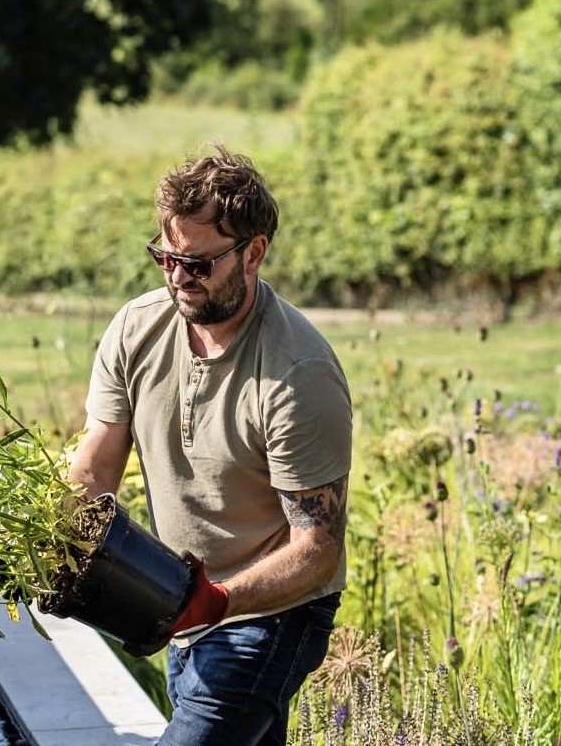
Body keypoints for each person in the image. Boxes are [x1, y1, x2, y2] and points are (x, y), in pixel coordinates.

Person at [66, 144, 352, 745]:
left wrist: (215, 601)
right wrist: (48, 536)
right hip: (172, 595)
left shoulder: (296, 373)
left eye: (197, 264)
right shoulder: (137, 329)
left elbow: (317, 550)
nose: (177, 278)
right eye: (166, 258)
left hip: (272, 613)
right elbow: (96, 464)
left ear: (254, 253)